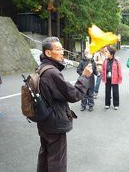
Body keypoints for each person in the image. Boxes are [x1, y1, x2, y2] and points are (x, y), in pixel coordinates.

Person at [36, 37, 92, 172]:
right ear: (48, 53)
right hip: (55, 123)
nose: (62, 52)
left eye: (62, 49)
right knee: (57, 161)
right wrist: (84, 76)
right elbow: (74, 95)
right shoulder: (52, 73)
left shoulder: (42, 68)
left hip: (44, 120)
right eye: (59, 49)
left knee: (45, 155)